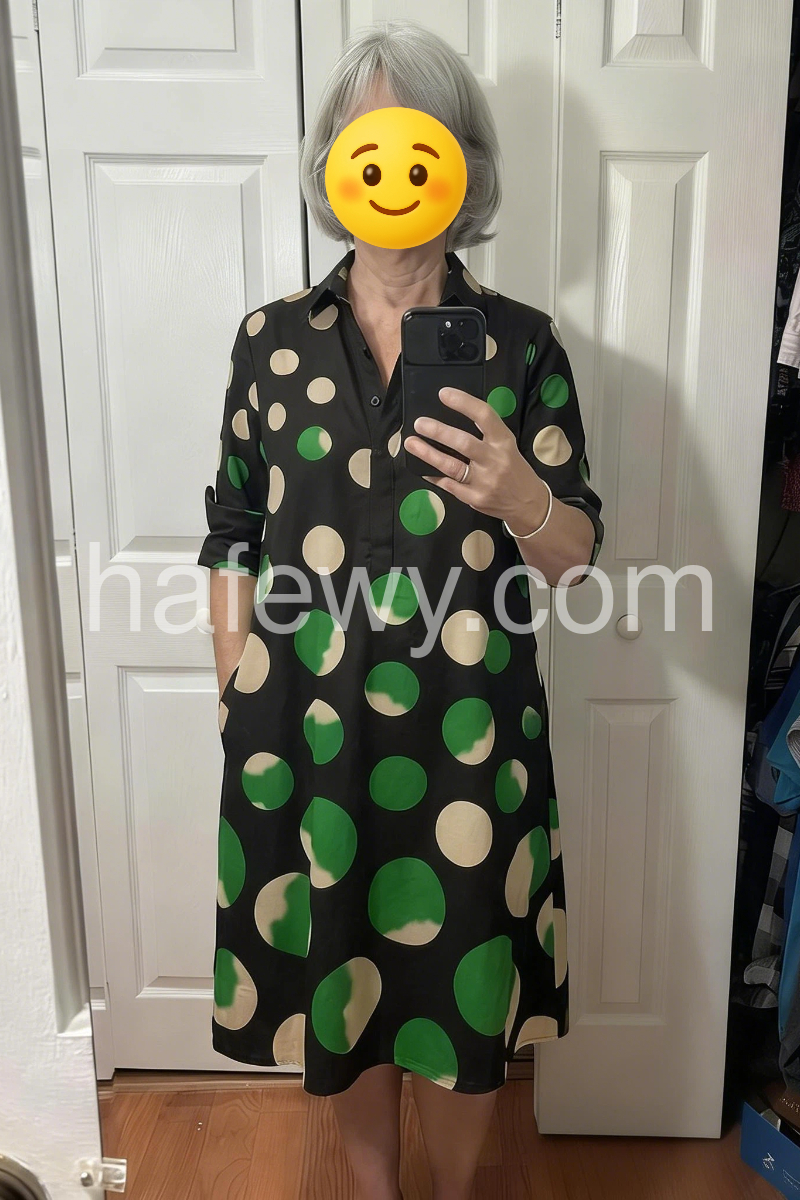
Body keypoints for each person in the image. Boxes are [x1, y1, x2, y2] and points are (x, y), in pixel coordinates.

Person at [197, 20, 603, 1200]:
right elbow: (230, 527)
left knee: (460, 982)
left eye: (416, 136)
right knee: (346, 985)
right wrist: (232, 681)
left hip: (468, 728)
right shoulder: (271, 343)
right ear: (332, 163)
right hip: (303, 723)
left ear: (461, 163)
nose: (388, 163)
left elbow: (574, 557)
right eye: (360, 138)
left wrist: (520, 496)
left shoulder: (520, 347)